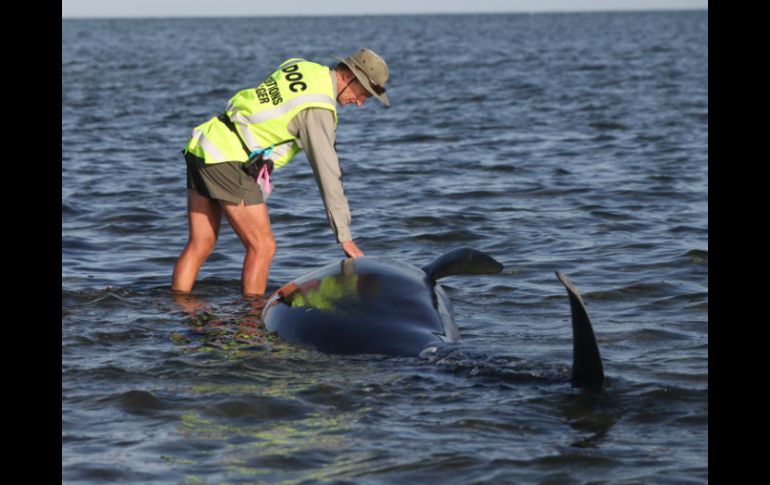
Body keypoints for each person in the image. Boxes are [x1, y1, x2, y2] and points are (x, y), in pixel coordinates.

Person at [171, 48, 390, 298]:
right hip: (228, 159)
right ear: (351, 76)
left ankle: (178, 309)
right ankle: (251, 324)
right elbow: (328, 175)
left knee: (201, 243)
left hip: (204, 144)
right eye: (364, 94)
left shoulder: (301, 66)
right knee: (263, 247)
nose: (361, 102)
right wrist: (344, 236)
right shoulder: (319, 109)